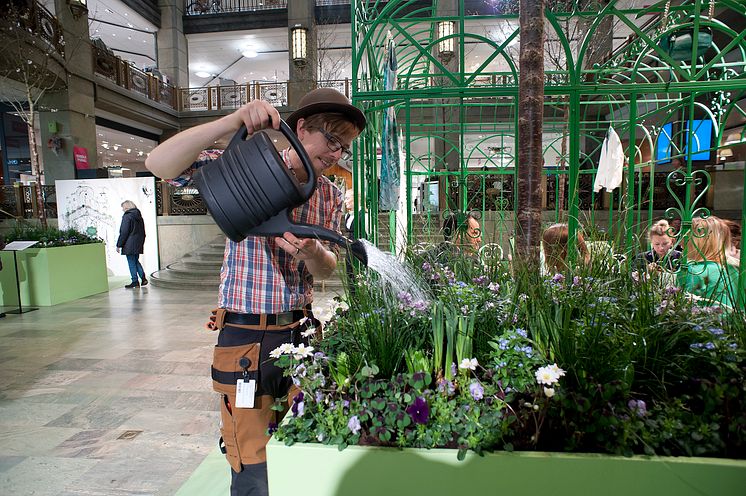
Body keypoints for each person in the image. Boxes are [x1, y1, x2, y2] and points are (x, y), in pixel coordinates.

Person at [145, 87, 366, 496]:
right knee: (250, 458)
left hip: (300, 335)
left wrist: (313, 252)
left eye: (344, 147)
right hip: (244, 338)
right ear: (301, 128)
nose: (336, 154)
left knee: (303, 445)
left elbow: (327, 268)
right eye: (331, 140)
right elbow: (159, 164)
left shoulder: (331, 195)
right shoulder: (245, 165)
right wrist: (233, 121)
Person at [679, 216, 741, 309]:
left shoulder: (692, 270)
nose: (680, 242)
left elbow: (682, 310)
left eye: (685, 237)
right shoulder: (735, 268)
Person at [116, 200, 147, 289]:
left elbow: (124, 232)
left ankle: (135, 281)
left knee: (131, 262)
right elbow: (143, 232)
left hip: (129, 243)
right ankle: (143, 278)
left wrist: (119, 244)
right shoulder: (139, 216)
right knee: (135, 261)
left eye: (123, 208)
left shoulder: (127, 216)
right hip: (137, 242)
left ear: (126, 207)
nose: (122, 210)